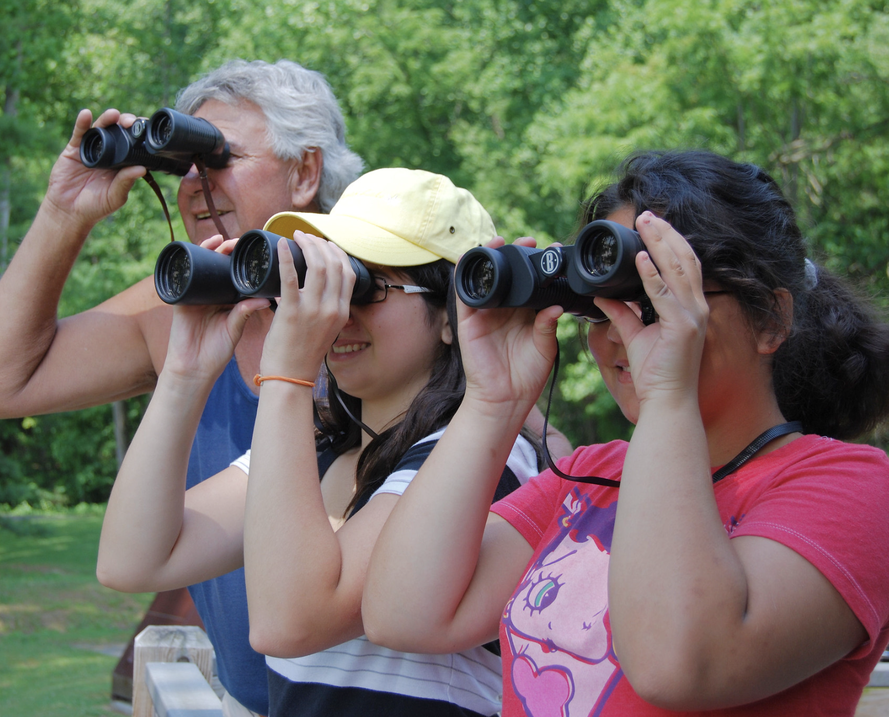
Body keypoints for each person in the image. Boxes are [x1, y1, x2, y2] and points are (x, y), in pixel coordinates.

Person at [362, 150, 889, 715]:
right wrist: (492, 400)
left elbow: (678, 663)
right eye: (600, 307)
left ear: (770, 320)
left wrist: (668, 394)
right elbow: (403, 612)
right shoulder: (591, 476)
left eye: (659, 298)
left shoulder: (855, 488)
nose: (621, 332)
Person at [0, 59, 365, 717]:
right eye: (184, 165)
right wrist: (66, 213)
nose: (196, 185)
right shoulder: (182, 311)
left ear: (306, 170)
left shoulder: (384, 312)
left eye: (219, 157)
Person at [97, 168, 554, 716]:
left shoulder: (484, 458)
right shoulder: (320, 447)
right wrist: (184, 373)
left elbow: (289, 622)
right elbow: (132, 559)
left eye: (365, 285)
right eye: (323, 280)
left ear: (454, 315)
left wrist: (287, 375)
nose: (336, 311)